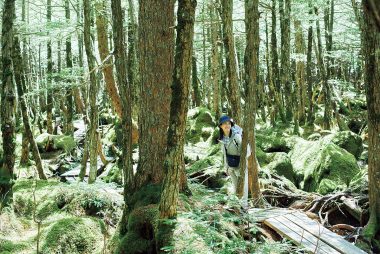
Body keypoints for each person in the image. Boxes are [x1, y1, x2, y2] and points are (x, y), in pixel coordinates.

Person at [218, 115, 249, 208]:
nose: (227, 125)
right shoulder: (222, 138)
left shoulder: (236, 136)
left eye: (228, 123)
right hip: (231, 166)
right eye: (224, 124)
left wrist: (242, 164)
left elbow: (246, 151)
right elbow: (224, 154)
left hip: (240, 165)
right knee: (236, 187)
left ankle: (244, 207)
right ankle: (237, 206)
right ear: (220, 126)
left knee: (244, 187)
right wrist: (226, 167)